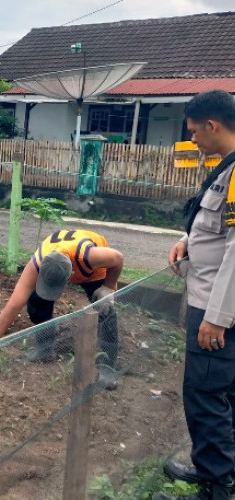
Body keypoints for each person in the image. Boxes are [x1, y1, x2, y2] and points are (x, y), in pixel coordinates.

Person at [156, 90, 235, 500]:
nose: (193, 141)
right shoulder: (227, 169)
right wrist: (188, 239)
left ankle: (215, 490)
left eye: (193, 132)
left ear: (213, 125)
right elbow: (219, 230)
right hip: (218, 305)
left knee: (205, 397)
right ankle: (219, 470)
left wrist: (216, 317)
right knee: (224, 393)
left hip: (218, 310)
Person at [0, 229, 123, 388]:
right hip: (63, 259)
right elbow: (14, 303)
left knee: (105, 311)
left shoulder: (89, 256)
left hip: (93, 272)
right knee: (36, 301)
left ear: (70, 277)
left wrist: (108, 288)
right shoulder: (37, 263)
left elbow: (117, 258)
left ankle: (107, 369)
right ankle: (45, 349)